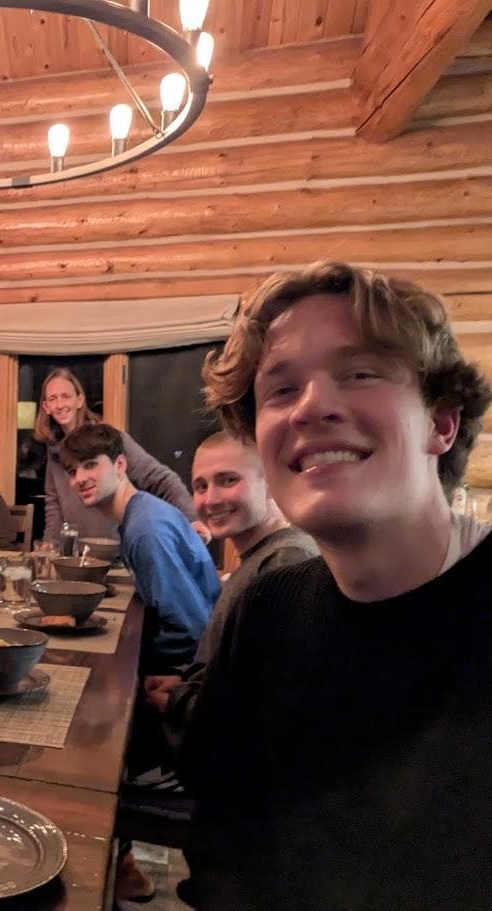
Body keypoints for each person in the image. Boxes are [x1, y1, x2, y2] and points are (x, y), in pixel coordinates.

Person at [183, 262, 492, 909]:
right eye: (280, 388)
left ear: (441, 420)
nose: (311, 405)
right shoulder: (266, 612)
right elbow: (222, 844)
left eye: (360, 372)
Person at [143, 431, 318, 741]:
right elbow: (237, 674)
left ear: (271, 482)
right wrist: (183, 683)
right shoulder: (258, 558)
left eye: (227, 480)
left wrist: (178, 702)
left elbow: (265, 708)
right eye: (200, 486)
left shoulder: (286, 563)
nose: (210, 499)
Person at [61, 422, 219, 673]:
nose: (80, 478)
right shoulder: (139, 513)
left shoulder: (146, 530)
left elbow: (190, 628)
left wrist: (128, 662)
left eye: (90, 465)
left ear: (120, 464)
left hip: (195, 671)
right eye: (72, 471)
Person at [35, 367, 203, 541]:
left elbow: (160, 478)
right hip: (79, 554)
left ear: (80, 400)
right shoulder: (54, 450)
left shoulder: (107, 440)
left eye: (66, 396)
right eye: (53, 399)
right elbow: (53, 504)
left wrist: (192, 520)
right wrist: (50, 546)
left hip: (118, 550)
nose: (60, 405)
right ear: (46, 407)